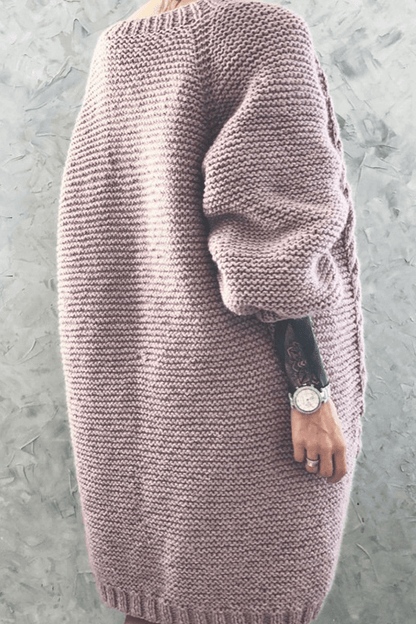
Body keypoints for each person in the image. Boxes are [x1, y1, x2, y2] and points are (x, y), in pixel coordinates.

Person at [56, 0, 367, 623]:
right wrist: (310, 394)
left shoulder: (120, 46)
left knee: (164, 607)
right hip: (250, 410)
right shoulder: (260, 31)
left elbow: (96, 234)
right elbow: (274, 241)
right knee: (248, 604)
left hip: (141, 409)